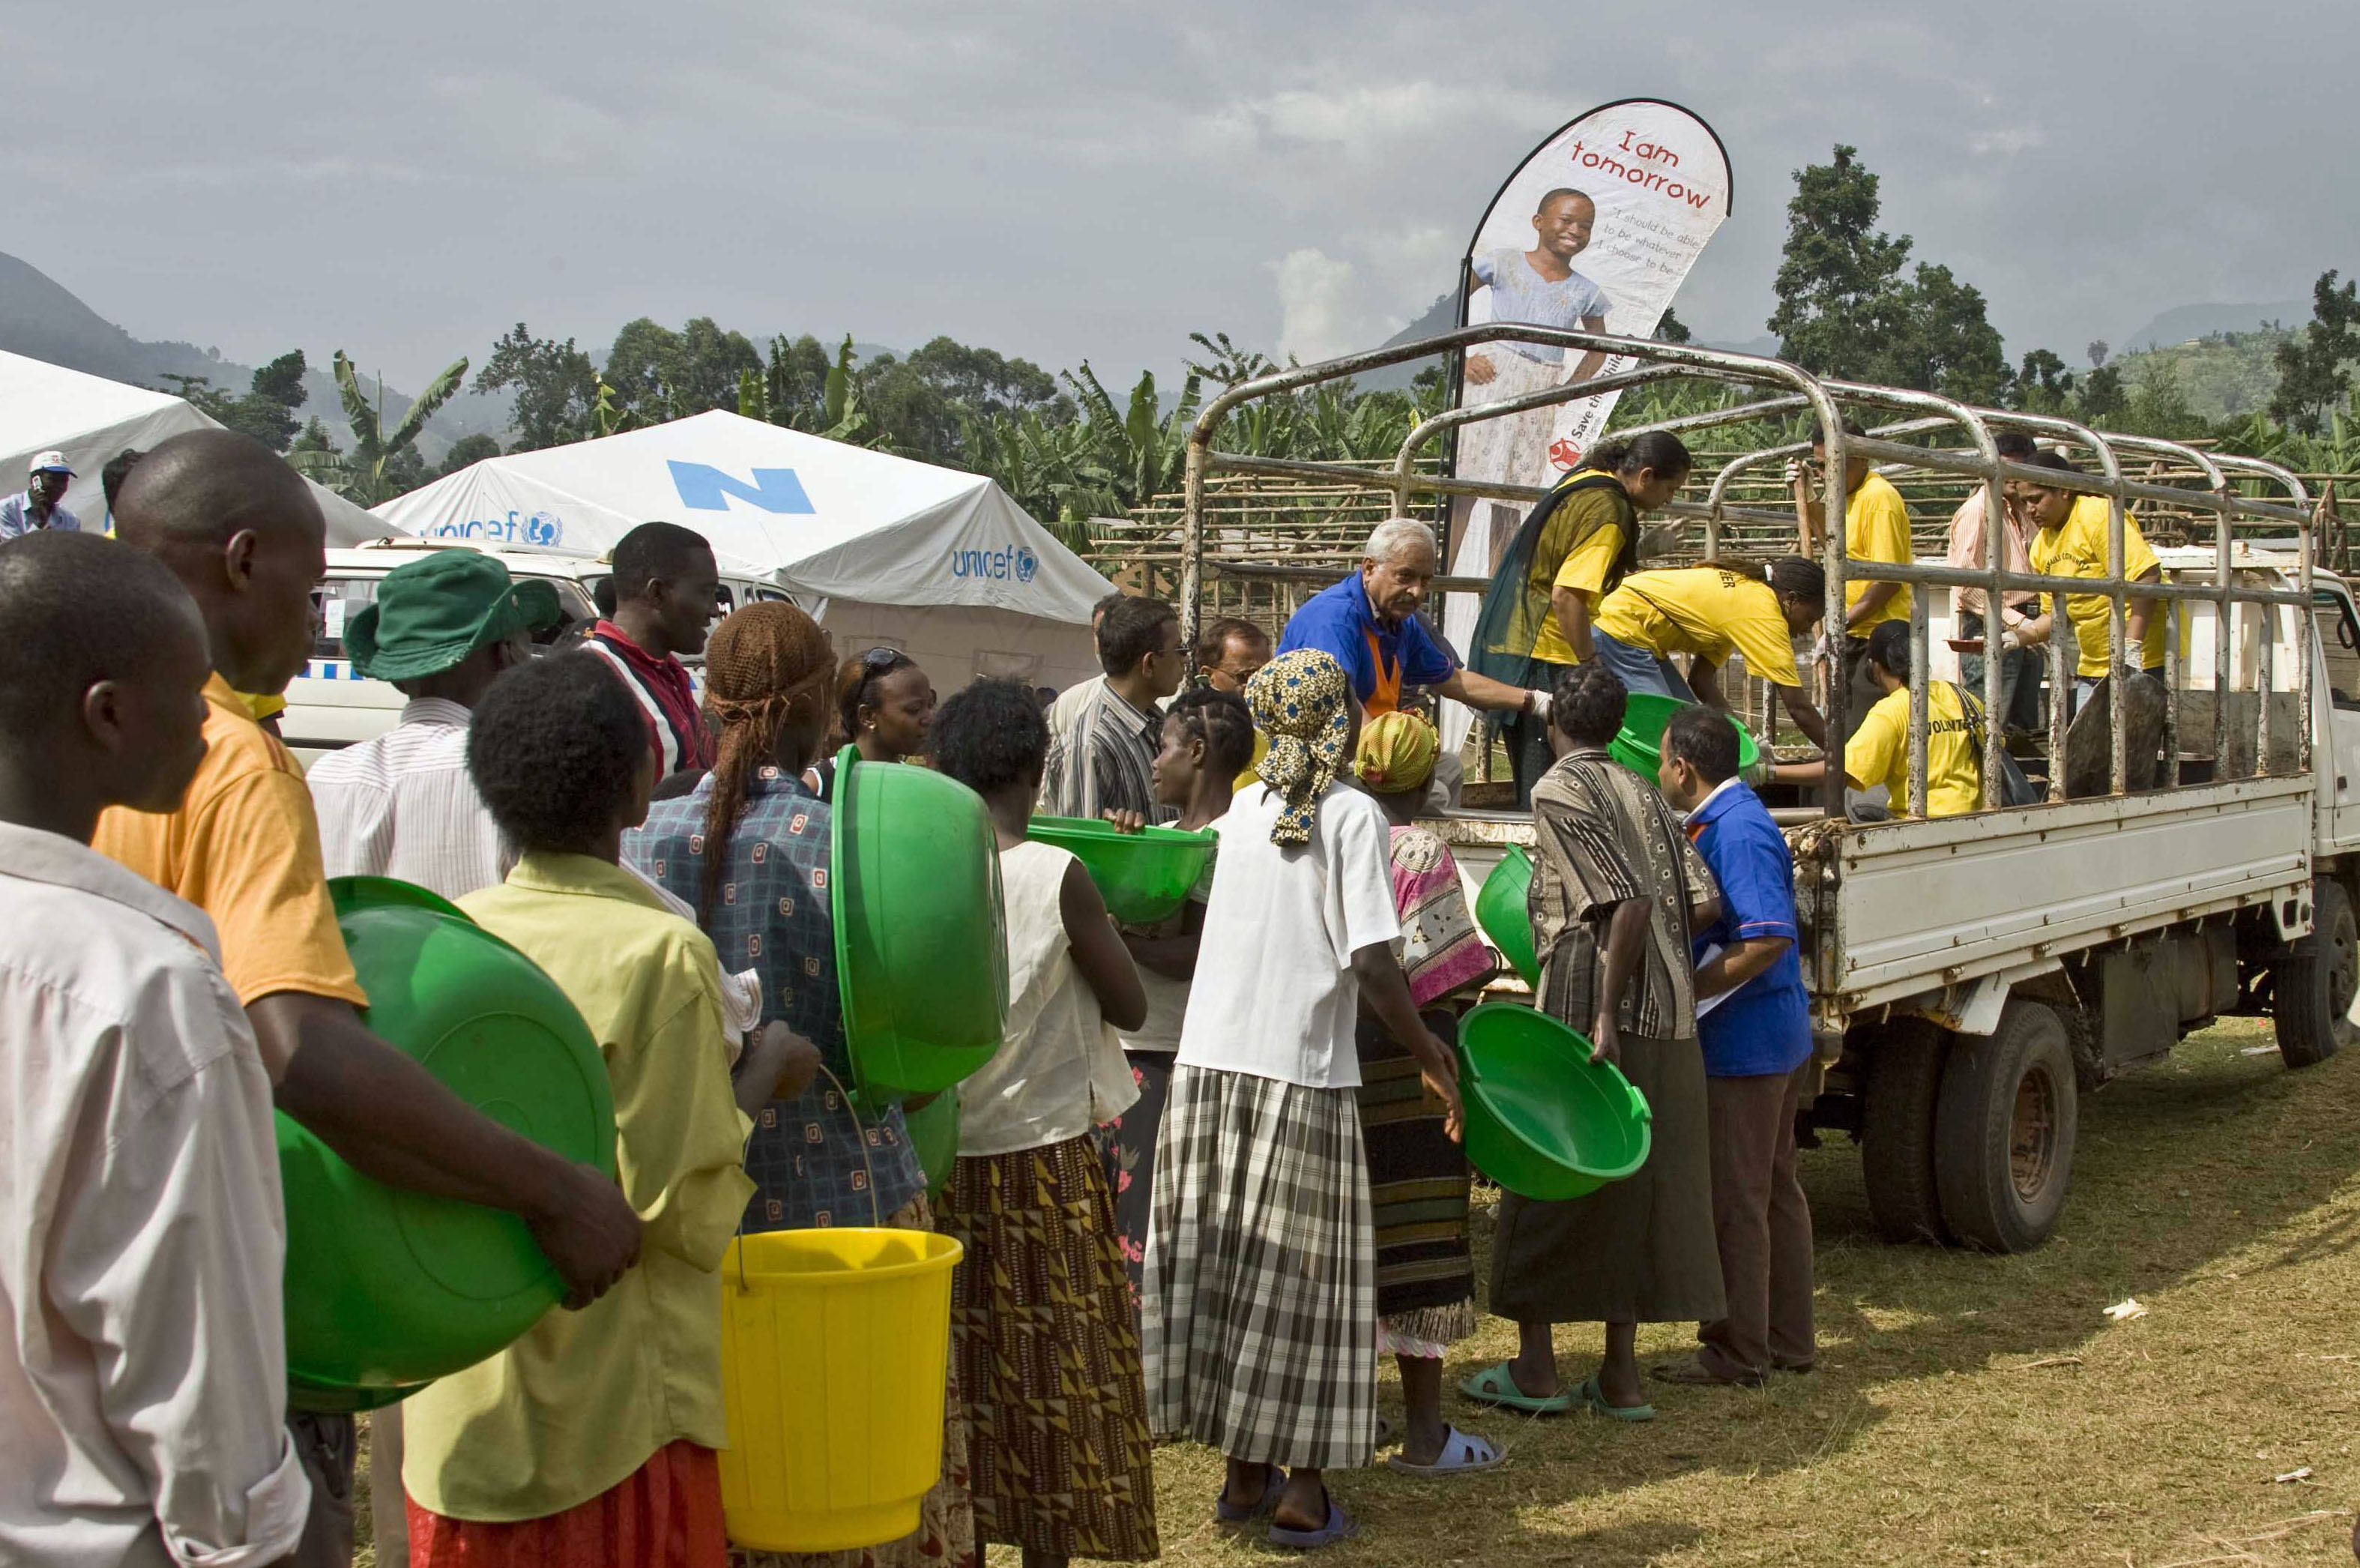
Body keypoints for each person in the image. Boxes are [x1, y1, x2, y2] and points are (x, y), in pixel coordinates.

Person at [90, 429, 643, 1568]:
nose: (318, 625)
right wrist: (552, 1190)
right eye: (308, 587)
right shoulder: (229, 759)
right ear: (243, 561)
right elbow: (300, 1049)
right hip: (213, 1301)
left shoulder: (73, 736)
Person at [403, 653, 813, 1568]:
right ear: (638, 787)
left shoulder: (458, 933)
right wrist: (766, 1073)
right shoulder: (659, 954)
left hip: (467, 1401)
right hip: (614, 1416)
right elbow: (681, 1206)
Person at [628, 602, 977, 1568]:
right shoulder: (852, 848)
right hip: (848, 1201)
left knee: (733, 1448)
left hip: (703, 1199)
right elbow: (928, 1051)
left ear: (708, 699)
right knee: (852, 1449)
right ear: (826, 705)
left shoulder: (637, 841)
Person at [0, 531, 312, 1567]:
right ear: (111, 715)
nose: (211, 720)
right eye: (193, 691)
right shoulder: (146, 993)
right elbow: (201, 1390)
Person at [1146, 649, 1464, 1552]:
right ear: (1338, 723)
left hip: (1209, 1071)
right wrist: (1426, 1052)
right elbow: (1369, 956)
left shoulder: (1243, 808)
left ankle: (1242, 1475)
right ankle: (1303, 1491)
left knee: (1232, 1270)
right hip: (1299, 1079)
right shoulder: (1349, 812)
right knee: (1307, 1285)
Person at [929, 678, 1161, 1568]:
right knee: (1055, 1374)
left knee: (966, 1371)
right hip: (1044, 1156)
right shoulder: (1057, 874)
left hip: (950, 1154)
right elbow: (1132, 1006)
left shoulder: (930, 870)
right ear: (1034, 771)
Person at [1464, 662, 1721, 1423]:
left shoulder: (1557, 788)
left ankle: (1537, 1369)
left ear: (1553, 729)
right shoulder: (1644, 788)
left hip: (1590, 1014)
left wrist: (1603, 1010)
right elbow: (1700, 902)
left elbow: (1626, 902)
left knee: (1545, 1180)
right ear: (1618, 728)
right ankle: (1619, 1377)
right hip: (1670, 1013)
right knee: (1631, 1193)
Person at [1348, 711, 1500, 1477]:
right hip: (1410, 1059)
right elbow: (1439, 968)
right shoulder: (1417, 848)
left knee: (1351, 1232)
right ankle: (1424, 1434)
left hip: (1339, 1055)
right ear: (1426, 777)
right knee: (1418, 1238)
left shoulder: (1329, 836)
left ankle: (1346, 1413)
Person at [1651, 706, 1816, 1388]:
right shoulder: (1731, 817)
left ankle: (1739, 1349)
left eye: (1660, 760)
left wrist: (1686, 990)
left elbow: (1768, 934)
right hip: (1764, 1036)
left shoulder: (1738, 830)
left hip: (1745, 1045)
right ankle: (1784, 1339)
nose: (1658, 771)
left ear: (1683, 769)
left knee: (1738, 1198)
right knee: (1771, 1191)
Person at [1101, 684, 1258, 1303]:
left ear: (1195, 751)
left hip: (1170, 1055)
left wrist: (1117, 940)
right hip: (1130, 1050)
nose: (1153, 763)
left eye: (1162, 748)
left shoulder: (1224, 845)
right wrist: (1124, 853)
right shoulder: (1165, 836)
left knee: (1146, 1224)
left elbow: (1195, 954)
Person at [307, 552, 558, 898]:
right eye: (525, 645)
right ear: (507, 655)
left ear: (398, 679)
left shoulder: (324, 777)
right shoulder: (516, 777)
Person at [1469, 431, 1695, 804]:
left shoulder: (1585, 481)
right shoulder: (1609, 509)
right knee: (1551, 786)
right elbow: (1568, 596)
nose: (1668, 500)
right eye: (1670, 489)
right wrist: (1592, 663)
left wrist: (1642, 546)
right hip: (1546, 653)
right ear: (1647, 476)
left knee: (1540, 778)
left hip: (1521, 642)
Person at [1457, 189, 1614, 564]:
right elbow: (1455, 302)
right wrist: (1464, 356)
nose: (1575, 230)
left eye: (1585, 226)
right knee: (1463, 485)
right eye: (1566, 220)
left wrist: (1570, 388)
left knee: (1511, 496)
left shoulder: (1586, 291)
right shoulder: (1503, 263)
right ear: (1539, 222)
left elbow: (1600, 345)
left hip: (1539, 387)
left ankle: (1493, 597)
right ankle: (1436, 588)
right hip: (1492, 377)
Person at [1278, 518, 1551, 732]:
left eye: (1425, 580)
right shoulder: (1334, 620)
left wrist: (1537, 701)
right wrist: (1394, 755)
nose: (1418, 592)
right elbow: (1339, 707)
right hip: (1324, 754)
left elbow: (1454, 680)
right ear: (1369, 568)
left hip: (1368, 744)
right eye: (1405, 576)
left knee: (1448, 769)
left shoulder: (1400, 621)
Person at [1589, 558, 1832, 748]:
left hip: (1637, 630)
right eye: (1809, 618)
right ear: (1791, 600)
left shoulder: (1745, 595)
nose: (1805, 631)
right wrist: (1843, 761)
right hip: (1619, 626)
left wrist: (1741, 735)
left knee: (1691, 721)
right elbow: (1798, 708)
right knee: (1671, 732)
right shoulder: (1762, 611)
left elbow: (1700, 679)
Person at [1775, 619, 1984, 819]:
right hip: (1975, 812)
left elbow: (1840, 771)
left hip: (1922, 819)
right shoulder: (1959, 694)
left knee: (1854, 797)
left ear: (1874, 667)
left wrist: (1770, 773)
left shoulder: (1892, 711)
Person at [2014, 450, 2168, 708]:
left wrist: (2131, 649)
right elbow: (2055, 616)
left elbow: (2146, 575)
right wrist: (2017, 637)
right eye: (2024, 502)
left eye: (2036, 499)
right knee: (2088, 744)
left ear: (2064, 491)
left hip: (2143, 656)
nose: (2030, 510)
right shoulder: (2041, 544)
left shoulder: (2096, 515)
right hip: (2094, 662)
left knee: (2131, 743)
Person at [1792, 418, 1914, 737]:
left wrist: (1839, 625)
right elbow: (1832, 548)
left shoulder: (1879, 499)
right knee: (1845, 732)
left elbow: (1887, 580)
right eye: (1819, 467)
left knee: (1869, 733)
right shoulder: (1844, 495)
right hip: (1854, 633)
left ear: (1862, 457)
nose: (1825, 475)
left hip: (1879, 637)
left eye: (1832, 465)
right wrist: (1809, 496)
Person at [583, 520, 720, 780]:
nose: (714, 610)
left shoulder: (668, 671)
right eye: (706, 592)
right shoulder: (592, 684)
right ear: (656, 592)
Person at [1039, 594, 1186, 824]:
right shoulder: (1088, 747)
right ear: (1149, 664)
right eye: (1179, 650)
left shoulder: (1155, 725)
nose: (1185, 659)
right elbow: (1083, 850)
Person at [1945, 429, 2044, 732]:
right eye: (2005, 469)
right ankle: (1980, 779)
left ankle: (2014, 779)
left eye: (2019, 469)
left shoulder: (2024, 511)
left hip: (2026, 619)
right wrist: (2016, 621)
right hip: (1990, 619)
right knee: (1988, 715)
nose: (2011, 478)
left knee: (2021, 719)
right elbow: (1966, 584)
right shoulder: (1977, 512)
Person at [1195, 615, 1273, 789]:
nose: (1258, 684)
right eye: (1245, 676)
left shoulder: (1270, 733)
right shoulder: (1192, 739)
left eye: (1266, 674)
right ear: (1209, 676)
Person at [1048, 591, 1132, 741]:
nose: (1107, 641)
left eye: (1115, 632)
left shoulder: (1164, 701)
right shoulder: (1069, 702)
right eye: (1100, 632)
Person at [0, 449, 83, 538]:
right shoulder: (7, 510)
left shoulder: (70, 520)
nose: (60, 486)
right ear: (35, 480)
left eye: (64, 480)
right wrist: (40, 523)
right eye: (53, 479)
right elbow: (13, 549)